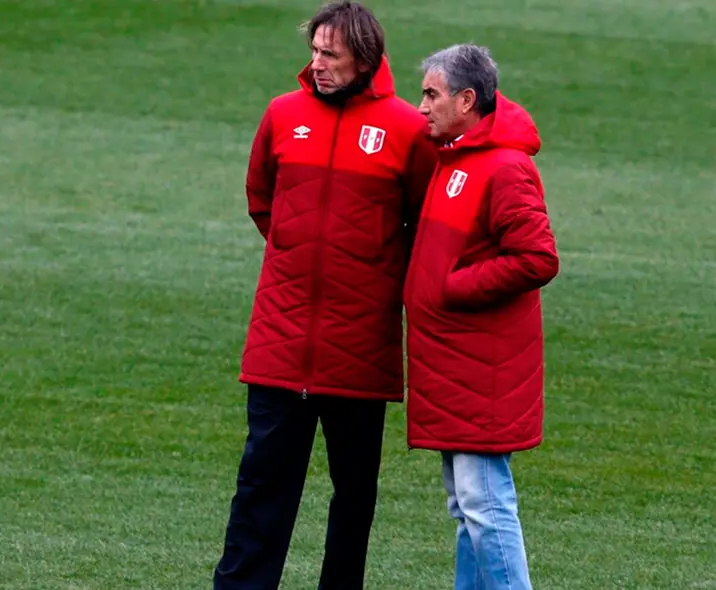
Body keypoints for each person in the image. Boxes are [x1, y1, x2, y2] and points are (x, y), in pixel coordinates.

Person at [212, 2, 439, 589]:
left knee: (355, 494)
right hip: (280, 342)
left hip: (360, 346)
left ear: (364, 59)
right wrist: (301, 257)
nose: (316, 64)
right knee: (261, 485)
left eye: (329, 55)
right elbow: (262, 199)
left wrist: (363, 272)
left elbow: (422, 219)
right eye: (314, 51)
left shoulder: (408, 130)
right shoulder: (282, 115)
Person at [404, 43, 560, 590]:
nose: (420, 106)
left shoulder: (504, 167)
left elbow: (538, 257)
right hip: (456, 365)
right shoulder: (456, 159)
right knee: (467, 504)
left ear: (467, 100)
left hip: (480, 368)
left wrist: (454, 287)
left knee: (485, 503)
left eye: (431, 94)